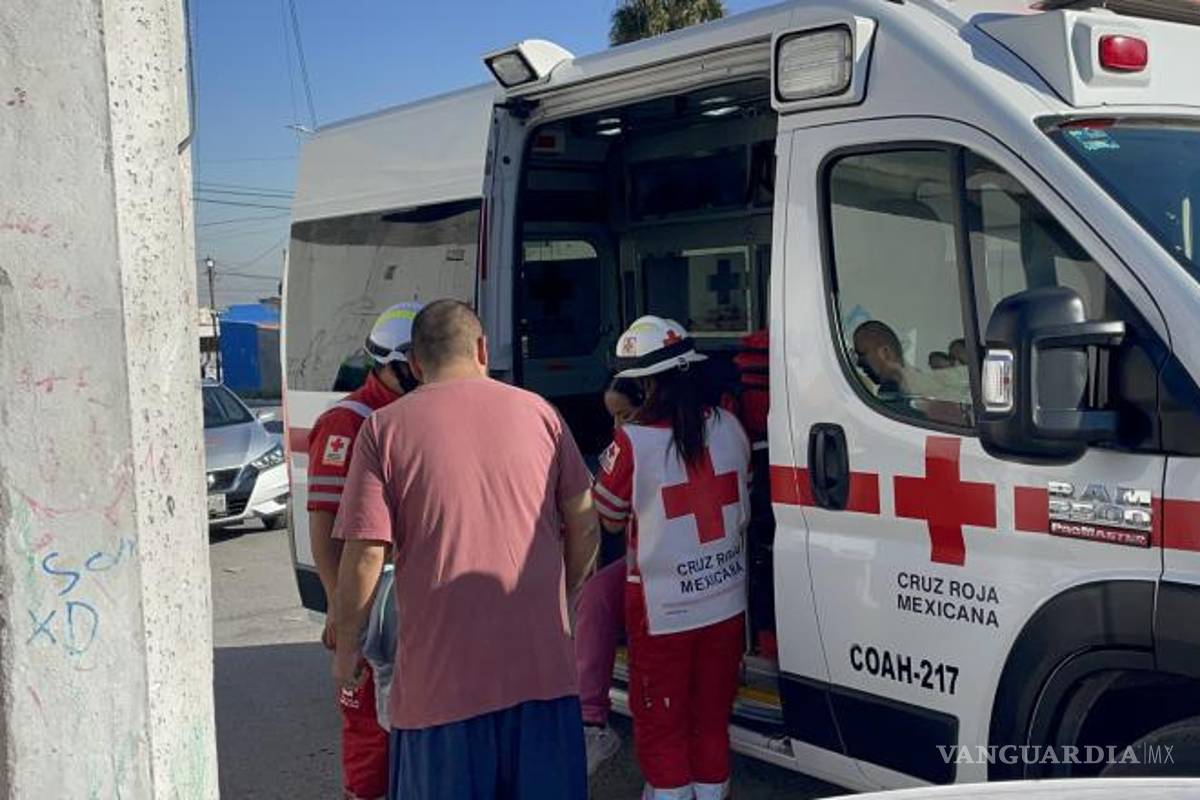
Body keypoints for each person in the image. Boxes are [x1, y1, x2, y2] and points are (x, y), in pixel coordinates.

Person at [331, 299, 599, 800]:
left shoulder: (384, 430)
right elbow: (584, 521)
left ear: (415, 364)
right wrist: (564, 598)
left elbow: (366, 554)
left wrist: (348, 647)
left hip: (440, 692)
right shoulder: (541, 413)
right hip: (543, 678)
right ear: (481, 349)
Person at [593, 315, 751, 800]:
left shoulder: (633, 442)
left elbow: (609, 517)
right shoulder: (730, 425)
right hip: (725, 602)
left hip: (662, 611)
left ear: (645, 386)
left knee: (661, 721)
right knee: (711, 717)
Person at [306, 301, 422, 800]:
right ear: (392, 364)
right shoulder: (348, 423)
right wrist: (342, 610)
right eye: (416, 363)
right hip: (372, 597)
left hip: (415, 599)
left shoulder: (415, 414)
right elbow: (324, 522)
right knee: (370, 735)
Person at [576, 376, 644, 775]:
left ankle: (590, 717)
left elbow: (611, 520)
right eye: (614, 418)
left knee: (599, 595)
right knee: (598, 594)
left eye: (625, 415)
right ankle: (590, 719)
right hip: (664, 563)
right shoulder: (719, 428)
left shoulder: (638, 445)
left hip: (661, 568)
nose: (618, 426)